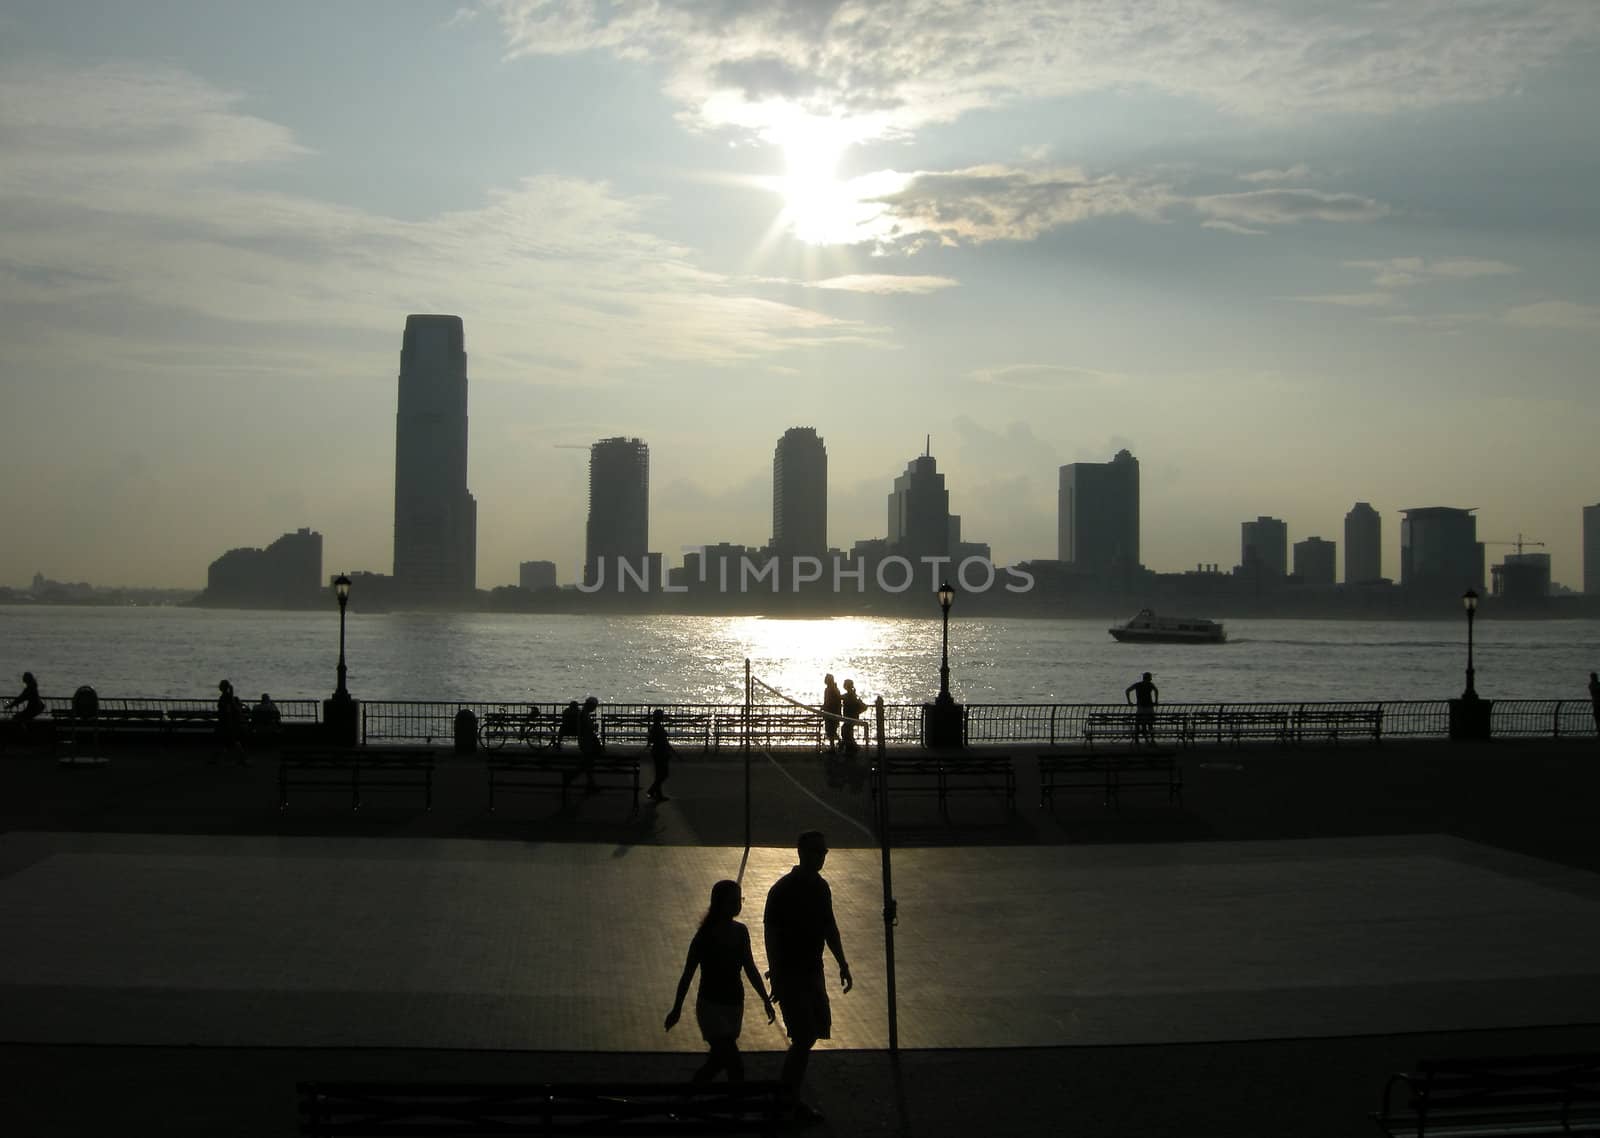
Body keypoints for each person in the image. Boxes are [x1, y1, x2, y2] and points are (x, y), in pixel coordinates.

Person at [764, 830, 852, 1122]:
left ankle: (788, 1095)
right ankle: (787, 1097)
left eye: (824, 852)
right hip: (793, 973)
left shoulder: (820, 888)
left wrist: (842, 962)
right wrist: (776, 973)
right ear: (803, 853)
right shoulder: (783, 890)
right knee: (804, 1035)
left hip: (812, 970)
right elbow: (772, 935)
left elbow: (830, 927)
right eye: (818, 852)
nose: (822, 857)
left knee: (808, 1034)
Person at [664, 879, 774, 1083]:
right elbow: (687, 974)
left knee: (718, 1061)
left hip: (731, 1005)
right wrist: (677, 1008)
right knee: (733, 1064)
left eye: (738, 900)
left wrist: (764, 998)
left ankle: (688, 1100)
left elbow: (750, 968)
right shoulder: (706, 936)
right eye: (733, 901)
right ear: (720, 904)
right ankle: (732, 1107)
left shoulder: (736, 932)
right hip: (712, 1007)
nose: (737, 905)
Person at [646, 707, 675, 802]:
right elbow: (664, 742)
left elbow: (650, 740)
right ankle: (652, 790)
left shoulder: (654, 727)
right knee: (663, 774)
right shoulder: (658, 728)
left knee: (659, 774)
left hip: (656, 752)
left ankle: (658, 794)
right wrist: (671, 751)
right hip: (661, 752)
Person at [213, 680, 245, 764]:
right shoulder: (228, 696)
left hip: (226, 723)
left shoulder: (225, 697)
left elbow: (227, 710)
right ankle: (241, 758)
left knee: (228, 741)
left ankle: (241, 758)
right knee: (230, 741)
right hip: (228, 723)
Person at [6, 672, 46, 740]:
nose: (22, 678)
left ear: (26, 679)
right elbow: (22, 698)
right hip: (37, 708)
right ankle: (27, 734)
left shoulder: (29, 688)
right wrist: (14, 704)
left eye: (24, 677)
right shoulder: (33, 686)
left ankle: (25, 735)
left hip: (33, 709)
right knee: (23, 718)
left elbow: (21, 698)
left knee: (17, 717)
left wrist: (10, 705)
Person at [1125, 671, 1159, 747]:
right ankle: (1151, 740)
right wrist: (1156, 701)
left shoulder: (1138, 685)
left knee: (1139, 723)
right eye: (1150, 678)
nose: (1151, 679)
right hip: (1149, 707)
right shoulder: (1150, 685)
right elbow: (1156, 690)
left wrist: (1129, 702)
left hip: (1141, 707)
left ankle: (1139, 740)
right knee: (1150, 724)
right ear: (1149, 678)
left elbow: (1127, 690)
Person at [838, 679, 866, 757]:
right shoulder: (851, 695)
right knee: (847, 732)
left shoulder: (850, 696)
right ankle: (850, 747)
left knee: (845, 731)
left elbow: (840, 697)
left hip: (850, 717)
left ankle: (852, 747)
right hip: (850, 717)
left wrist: (857, 712)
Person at [821, 675, 842, 753]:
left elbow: (828, 701)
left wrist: (824, 707)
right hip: (834, 712)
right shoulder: (835, 689)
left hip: (831, 713)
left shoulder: (830, 690)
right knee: (832, 731)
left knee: (831, 731)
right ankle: (835, 744)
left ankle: (834, 746)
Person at [1590, 672, 1600, 737]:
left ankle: (1598, 729)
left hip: (1596, 703)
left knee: (1597, 717)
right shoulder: (1593, 685)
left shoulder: (1591, 685)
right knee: (1597, 717)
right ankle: (1598, 729)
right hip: (1596, 703)